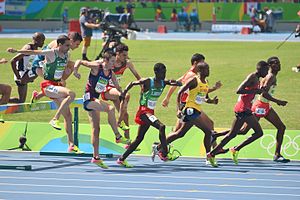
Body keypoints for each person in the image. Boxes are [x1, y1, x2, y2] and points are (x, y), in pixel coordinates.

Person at [7, 35, 80, 153]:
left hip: (55, 86)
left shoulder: (67, 54)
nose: (69, 47)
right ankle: (54, 118)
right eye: (67, 45)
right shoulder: (51, 52)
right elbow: (34, 51)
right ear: (59, 45)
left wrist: (66, 74)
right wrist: (16, 51)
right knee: (71, 94)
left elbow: (62, 67)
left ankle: (71, 145)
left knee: (68, 115)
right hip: (48, 86)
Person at [153, 62, 219, 167]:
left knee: (180, 133)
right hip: (190, 110)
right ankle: (209, 156)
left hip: (197, 110)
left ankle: (158, 147)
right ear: (200, 71)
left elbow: (203, 97)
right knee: (208, 131)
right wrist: (178, 109)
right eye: (206, 69)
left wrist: (212, 101)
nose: (209, 71)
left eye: (209, 69)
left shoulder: (205, 82)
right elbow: (180, 92)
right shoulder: (194, 80)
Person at [116, 63, 182, 168]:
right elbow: (133, 83)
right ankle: (164, 153)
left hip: (150, 113)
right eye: (162, 72)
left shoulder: (163, 83)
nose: (164, 75)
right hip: (143, 112)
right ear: (156, 72)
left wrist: (180, 83)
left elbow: (173, 82)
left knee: (139, 138)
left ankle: (121, 159)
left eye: (165, 72)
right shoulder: (148, 81)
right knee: (162, 126)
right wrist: (124, 92)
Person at [73, 51, 130, 169]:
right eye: (112, 61)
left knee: (96, 129)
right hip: (89, 100)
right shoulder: (96, 67)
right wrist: (75, 71)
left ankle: (96, 157)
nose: (115, 64)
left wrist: (122, 94)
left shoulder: (111, 73)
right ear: (106, 61)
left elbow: (118, 87)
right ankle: (118, 136)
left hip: (95, 100)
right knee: (110, 108)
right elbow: (79, 61)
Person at [207, 61, 269, 166]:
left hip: (246, 109)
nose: (267, 72)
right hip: (243, 110)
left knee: (234, 134)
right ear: (260, 69)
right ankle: (221, 151)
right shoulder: (252, 77)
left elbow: (251, 90)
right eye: (266, 70)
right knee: (254, 133)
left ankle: (215, 151)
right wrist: (255, 91)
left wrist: (257, 90)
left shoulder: (257, 78)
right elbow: (239, 90)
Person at [161, 53, 226, 143]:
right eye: (202, 63)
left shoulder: (192, 75)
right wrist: (177, 108)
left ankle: (215, 149)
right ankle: (160, 146)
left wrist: (167, 97)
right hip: (188, 106)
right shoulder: (192, 77)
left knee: (179, 132)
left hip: (192, 105)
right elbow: (186, 89)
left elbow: (177, 82)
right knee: (180, 132)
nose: (204, 66)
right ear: (195, 63)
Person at [239, 57, 289, 162]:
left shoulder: (270, 75)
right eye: (275, 63)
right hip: (260, 106)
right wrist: (278, 101)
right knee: (243, 130)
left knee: (281, 127)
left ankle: (277, 154)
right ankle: (217, 135)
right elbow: (264, 93)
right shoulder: (271, 76)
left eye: (279, 62)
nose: (278, 65)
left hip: (264, 105)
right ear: (270, 65)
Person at [102, 43, 141, 142]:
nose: (126, 57)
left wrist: (142, 85)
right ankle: (118, 122)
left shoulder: (127, 63)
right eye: (124, 55)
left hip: (116, 90)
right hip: (107, 90)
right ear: (117, 54)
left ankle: (127, 141)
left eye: (126, 55)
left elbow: (137, 75)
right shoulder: (111, 62)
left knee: (125, 115)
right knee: (126, 95)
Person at [31, 32, 83, 103]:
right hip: (39, 66)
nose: (77, 47)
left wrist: (71, 70)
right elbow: (47, 59)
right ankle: (59, 101)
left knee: (71, 66)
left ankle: (37, 96)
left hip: (47, 65)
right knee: (60, 84)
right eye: (77, 44)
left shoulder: (65, 49)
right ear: (71, 41)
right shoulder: (57, 45)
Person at [9, 32, 45, 103]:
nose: (43, 43)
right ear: (37, 40)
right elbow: (13, 61)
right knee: (42, 69)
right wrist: (18, 76)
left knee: (21, 101)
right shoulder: (28, 48)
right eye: (42, 40)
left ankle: (4, 99)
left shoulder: (35, 48)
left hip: (26, 73)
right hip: (22, 75)